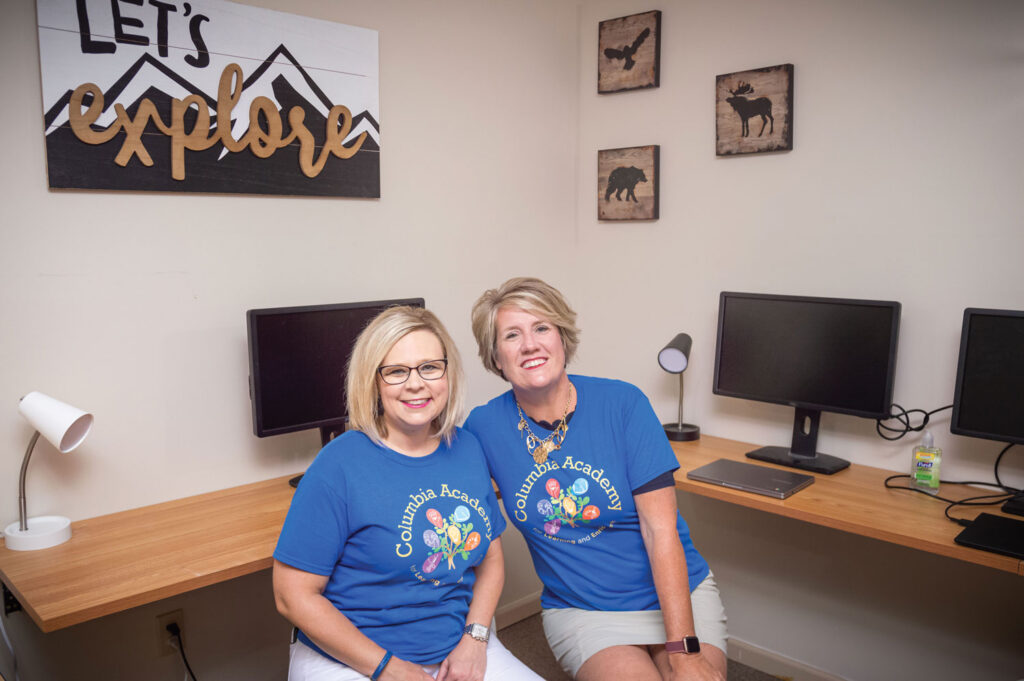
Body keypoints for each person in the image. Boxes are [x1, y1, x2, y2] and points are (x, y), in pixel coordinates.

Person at [464, 278, 728, 681]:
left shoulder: (623, 404)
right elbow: (440, 483)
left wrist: (683, 652)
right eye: (511, 335)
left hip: (677, 596)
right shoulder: (484, 427)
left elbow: (660, 531)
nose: (530, 344)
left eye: (541, 328)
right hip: (584, 610)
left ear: (562, 338)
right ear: (496, 357)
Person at [273, 306, 543, 681]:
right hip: (352, 658)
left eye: (430, 367)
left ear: (447, 373)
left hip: (458, 647)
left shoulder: (467, 448)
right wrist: (387, 667)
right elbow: (292, 595)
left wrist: (476, 639)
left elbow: (491, 561)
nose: (416, 384)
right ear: (374, 381)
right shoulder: (338, 464)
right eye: (397, 371)